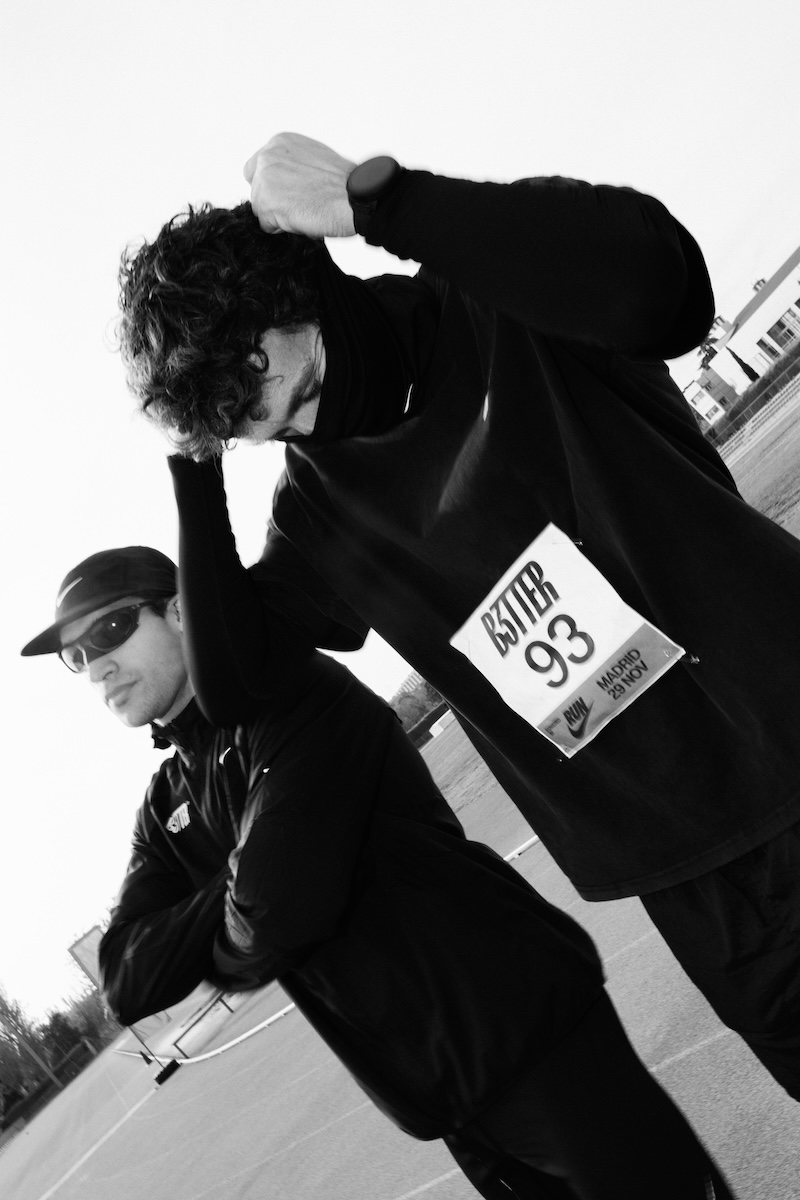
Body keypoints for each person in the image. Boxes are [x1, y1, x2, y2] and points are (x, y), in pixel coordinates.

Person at [117, 133, 800, 1101]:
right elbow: (233, 682)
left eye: (307, 388)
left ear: (313, 282)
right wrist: (193, 464)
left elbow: (667, 285)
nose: (312, 426)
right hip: (694, 878)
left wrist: (380, 201)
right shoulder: (318, 507)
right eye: (276, 429)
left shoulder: (495, 297)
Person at [21, 547, 734, 1199]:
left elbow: (275, 917)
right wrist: (238, 881)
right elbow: (126, 979)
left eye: (110, 629)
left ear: (181, 609)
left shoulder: (289, 690)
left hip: (530, 1032)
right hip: (439, 1101)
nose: (97, 666)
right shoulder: (165, 803)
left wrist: (235, 915)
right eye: (76, 657)